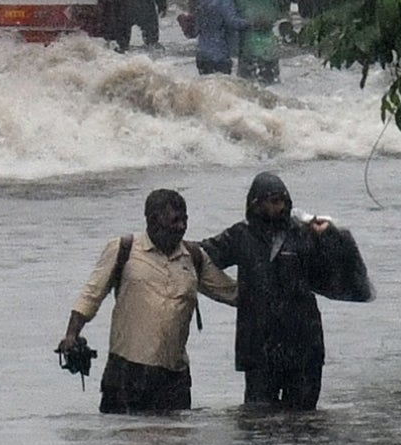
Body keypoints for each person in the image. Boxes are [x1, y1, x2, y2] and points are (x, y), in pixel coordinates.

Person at [200, 172, 373, 411]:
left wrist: (332, 235)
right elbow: (203, 257)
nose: (277, 206)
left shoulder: (304, 233)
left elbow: (342, 273)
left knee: (304, 419)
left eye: (281, 200)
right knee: (257, 420)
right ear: (255, 204)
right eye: (271, 201)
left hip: (304, 344)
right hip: (259, 347)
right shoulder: (241, 236)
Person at [56, 189, 237, 414]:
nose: (181, 227)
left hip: (175, 378)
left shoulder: (194, 257)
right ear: (153, 220)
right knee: (126, 442)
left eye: (185, 220)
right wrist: (71, 335)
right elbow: (90, 296)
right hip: (126, 373)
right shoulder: (123, 249)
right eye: (175, 220)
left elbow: (233, 293)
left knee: (176, 444)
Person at [194, 0, 251, 75]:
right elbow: (231, 21)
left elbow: (198, 22)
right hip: (219, 54)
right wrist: (250, 23)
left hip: (202, 52)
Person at [232, 0, 282, 84]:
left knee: (247, 90)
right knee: (271, 88)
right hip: (270, 49)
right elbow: (274, 16)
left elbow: (233, 20)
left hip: (249, 48)